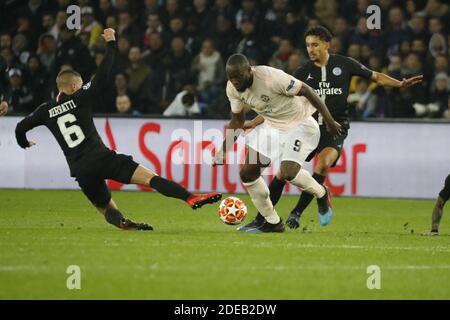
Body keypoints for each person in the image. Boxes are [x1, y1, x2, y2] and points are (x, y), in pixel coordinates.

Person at [15, 29, 221, 231]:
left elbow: (20, 128)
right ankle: (190, 197)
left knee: (106, 207)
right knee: (151, 178)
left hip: (80, 169)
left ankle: (122, 223)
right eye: (79, 84)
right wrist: (112, 44)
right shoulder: (80, 98)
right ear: (72, 87)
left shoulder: (44, 111)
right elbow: (103, 72)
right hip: (101, 157)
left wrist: (25, 143)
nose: (81, 86)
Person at [242, 26, 423, 230]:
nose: (311, 49)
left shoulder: (344, 64)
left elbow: (376, 76)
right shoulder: (302, 72)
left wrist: (399, 84)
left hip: (334, 127)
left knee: (323, 164)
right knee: (284, 174)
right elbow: (277, 106)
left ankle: (297, 212)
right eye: (308, 45)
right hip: (304, 127)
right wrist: (253, 122)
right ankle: (263, 218)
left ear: (327, 44)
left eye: (315, 45)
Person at [212, 53, 343, 233]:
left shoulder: (271, 77)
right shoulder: (233, 88)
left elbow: (307, 90)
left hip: (300, 124)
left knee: (288, 173)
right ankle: (272, 222)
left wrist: (329, 121)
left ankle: (321, 192)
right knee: (247, 173)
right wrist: (223, 150)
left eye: (238, 77)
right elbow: (236, 121)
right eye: (231, 78)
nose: (235, 81)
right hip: (272, 127)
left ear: (249, 71)